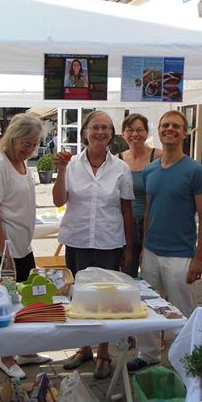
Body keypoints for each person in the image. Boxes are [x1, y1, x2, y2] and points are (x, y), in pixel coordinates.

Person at [127, 110, 202, 373]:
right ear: (159, 131)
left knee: (182, 311)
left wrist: (199, 258)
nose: (170, 129)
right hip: (151, 251)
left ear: (184, 133)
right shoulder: (150, 170)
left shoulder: (195, 170)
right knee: (149, 306)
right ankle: (149, 354)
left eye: (176, 126)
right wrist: (143, 249)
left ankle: (186, 359)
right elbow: (150, 209)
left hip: (180, 255)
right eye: (165, 125)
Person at [53, 110, 134, 379]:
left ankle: (104, 352)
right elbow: (57, 201)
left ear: (112, 134)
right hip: (77, 240)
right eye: (95, 127)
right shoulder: (71, 164)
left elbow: (126, 210)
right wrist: (61, 171)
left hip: (109, 241)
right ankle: (84, 348)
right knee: (81, 295)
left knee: (106, 297)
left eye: (106, 128)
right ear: (85, 131)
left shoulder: (121, 168)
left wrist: (129, 247)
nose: (101, 132)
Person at [0, 113, 51, 379]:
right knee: (8, 303)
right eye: (26, 144)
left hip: (22, 245)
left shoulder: (22, 163)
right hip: (3, 251)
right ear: (12, 138)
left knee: (27, 299)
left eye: (34, 144)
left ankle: (26, 350)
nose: (30, 149)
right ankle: (6, 357)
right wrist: (5, 253)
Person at [118, 113, 162, 278]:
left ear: (146, 132)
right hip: (125, 225)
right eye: (130, 130)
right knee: (127, 274)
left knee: (152, 276)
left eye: (139, 130)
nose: (134, 134)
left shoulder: (158, 157)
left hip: (152, 224)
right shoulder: (119, 160)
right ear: (123, 134)